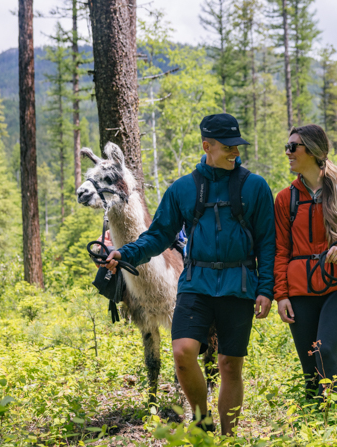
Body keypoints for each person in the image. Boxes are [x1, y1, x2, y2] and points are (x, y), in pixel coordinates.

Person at [99, 113, 275, 435]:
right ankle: (202, 423)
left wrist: (266, 288)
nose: (235, 151)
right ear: (207, 146)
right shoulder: (183, 189)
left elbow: (267, 242)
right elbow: (158, 235)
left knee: (229, 366)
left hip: (239, 286)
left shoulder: (256, 187)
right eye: (227, 146)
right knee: (182, 353)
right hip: (195, 284)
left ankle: (229, 437)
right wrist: (125, 253)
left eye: (237, 145)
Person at [273, 124, 337, 404]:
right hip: (299, 291)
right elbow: (280, 251)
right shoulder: (284, 199)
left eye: (294, 147)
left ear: (314, 152)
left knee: (325, 350)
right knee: (309, 369)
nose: (288, 152)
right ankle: (313, 424)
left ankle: (332, 414)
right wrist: (281, 296)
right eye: (287, 147)